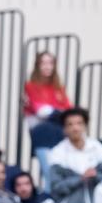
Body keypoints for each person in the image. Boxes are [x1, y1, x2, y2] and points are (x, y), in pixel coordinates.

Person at [24, 51, 71, 188]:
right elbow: (41, 112)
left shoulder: (59, 88)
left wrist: (55, 112)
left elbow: (69, 111)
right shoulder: (30, 85)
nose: (47, 66)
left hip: (59, 134)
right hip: (43, 135)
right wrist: (58, 112)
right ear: (37, 65)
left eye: (50, 63)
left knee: (61, 174)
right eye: (43, 63)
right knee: (49, 174)